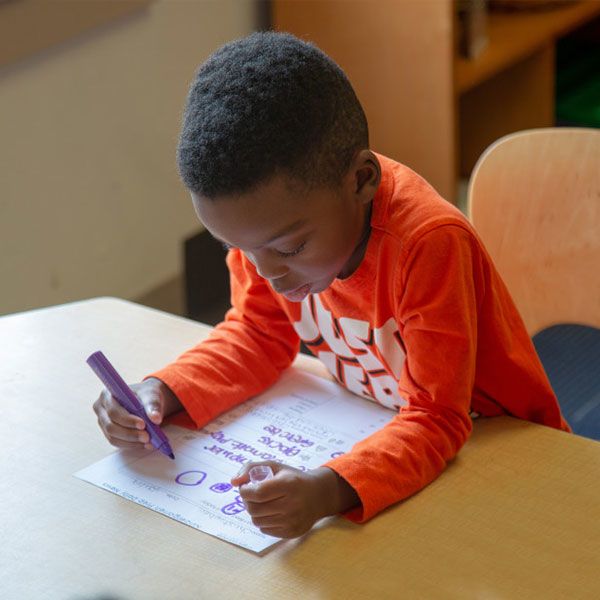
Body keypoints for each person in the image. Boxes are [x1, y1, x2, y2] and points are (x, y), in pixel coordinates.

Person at [93, 32, 570, 539]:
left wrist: (329, 489)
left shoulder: (426, 245)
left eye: (290, 249)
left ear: (362, 179)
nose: (266, 272)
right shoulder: (267, 232)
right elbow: (257, 334)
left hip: (504, 453)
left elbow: (438, 417)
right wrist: (159, 392)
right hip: (392, 439)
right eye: (236, 248)